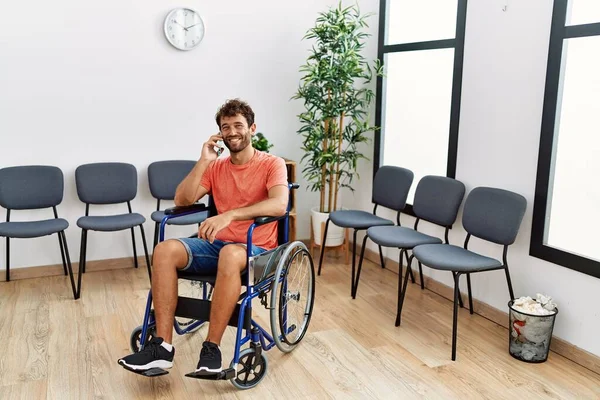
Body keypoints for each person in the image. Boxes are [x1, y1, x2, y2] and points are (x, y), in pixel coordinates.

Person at [118, 99, 289, 374]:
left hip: (256, 249)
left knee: (231, 254)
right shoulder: (216, 167)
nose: (232, 132)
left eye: (238, 125)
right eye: (225, 127)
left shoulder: (272, 164)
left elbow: (279, 205)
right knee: (164, 250)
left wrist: (229, 215)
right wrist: (204, 160)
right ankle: (161, 348)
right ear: (220, 134)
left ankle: (211, 348)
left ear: (252, 128)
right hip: (218, 246)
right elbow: (182, 199)